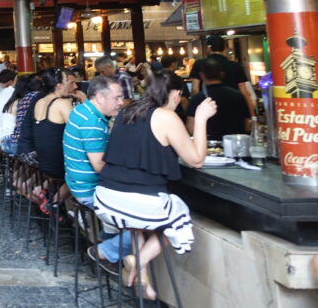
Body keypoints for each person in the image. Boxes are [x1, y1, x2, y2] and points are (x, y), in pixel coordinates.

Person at [94, 71, 217, 299]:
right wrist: (200, 119)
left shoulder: (126, 112)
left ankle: (142, 280)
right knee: (179, 219)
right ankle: (139, 260)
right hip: (136, 201)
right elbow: (196, 159)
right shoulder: (166, 117)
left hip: (105, 198)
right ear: (177, 94)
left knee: (138, 225)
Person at [63, 75, 128, 272]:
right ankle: (108, 252)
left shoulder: (82, 110)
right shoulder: (91, 122)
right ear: (100, 97)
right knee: (148, 223)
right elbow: (100, 166)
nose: (121, 102)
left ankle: (108, 244)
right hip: (88, 190)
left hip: (76, 183)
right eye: (116, 98)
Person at [189, 34, 255, 117]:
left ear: (209, 48)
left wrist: (196, 111)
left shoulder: (199, 64)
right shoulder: (235, 66)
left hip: (209, 110)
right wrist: (253, 116)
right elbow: (244, 92)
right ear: (225, 49)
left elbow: (195, 89)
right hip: (233, 110)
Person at [186, 57, 250, 140]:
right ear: (222, 74)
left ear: (202, 75)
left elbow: (191, 129)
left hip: (210, 146)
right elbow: (247, 124)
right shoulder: (238, 96)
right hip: (236, 144)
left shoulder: (197, 99)